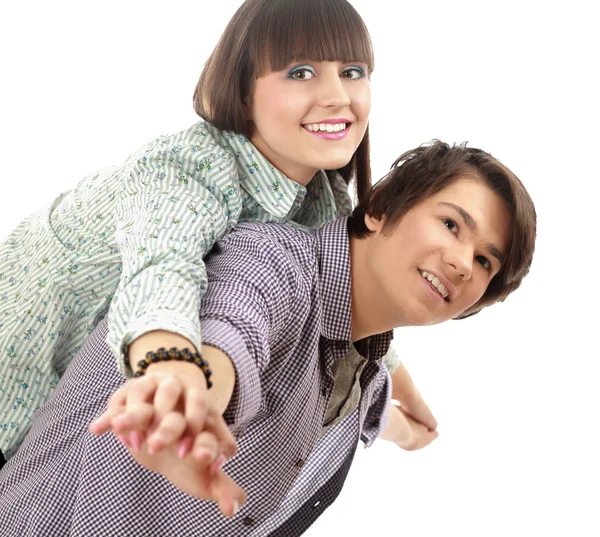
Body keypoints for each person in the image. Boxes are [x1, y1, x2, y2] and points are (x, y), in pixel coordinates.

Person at [0, 141, 537, 536]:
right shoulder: (271, 260)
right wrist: (193, 400)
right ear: (379, 209)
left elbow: (355, 407)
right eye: (451, 225)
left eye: (486, 259)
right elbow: (233, 329)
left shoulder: (366, 379)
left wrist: (403, 430)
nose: (463, 262)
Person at [0, 0, 414, 462]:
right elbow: (162, 271)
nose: (339, 95)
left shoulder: (327, 199)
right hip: (19, 380)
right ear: (241, 94)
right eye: (300, 72)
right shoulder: (186, 167)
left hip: (85, 413)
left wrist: (399, 384)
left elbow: (335, 298)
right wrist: (173, 372)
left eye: (353, 71)